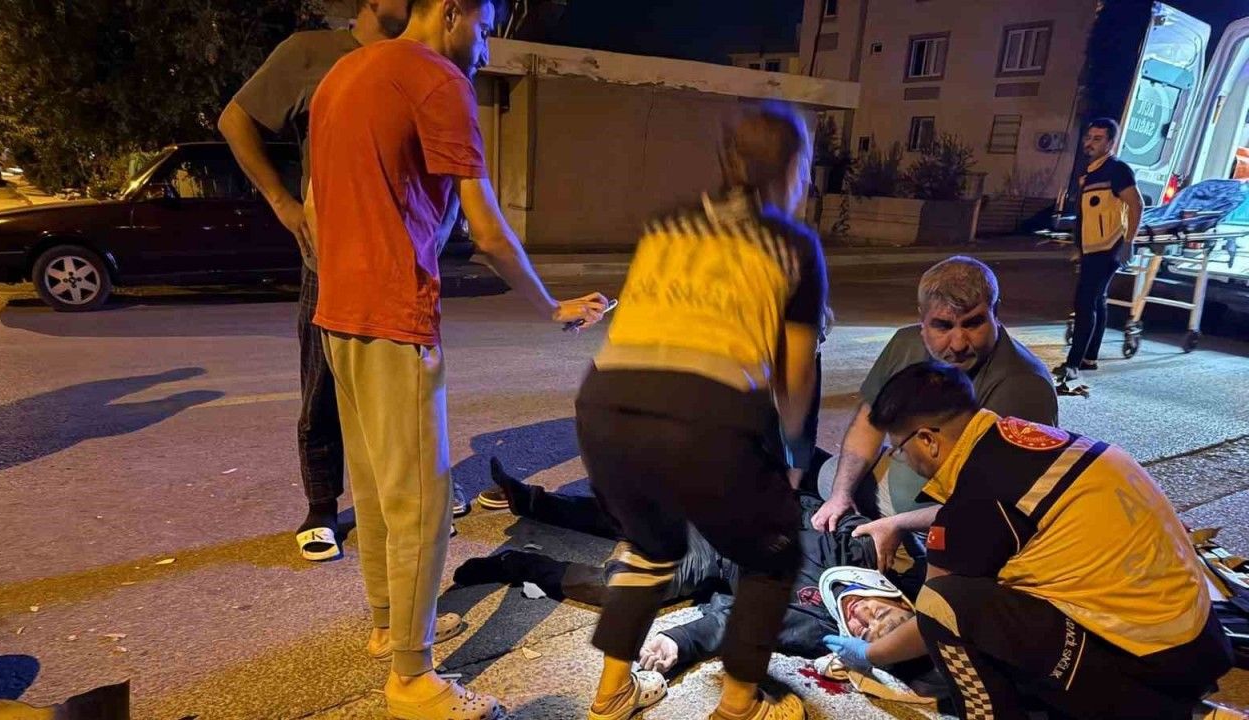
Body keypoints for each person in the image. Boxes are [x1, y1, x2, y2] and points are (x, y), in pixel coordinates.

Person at [307, 0, 608, 717]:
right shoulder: (438, 80)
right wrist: (552, 307)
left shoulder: (341, 76)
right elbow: (489, 229)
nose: (486, 48)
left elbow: (314, 207)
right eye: (485, 26)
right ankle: (412, 680)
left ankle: (388, 628)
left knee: (376, 487)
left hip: (337, 313)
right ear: (450, 12)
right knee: (422, 502)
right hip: (393, 318)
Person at [575, 102, 826, 720]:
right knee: (772, 554)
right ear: (793, 170)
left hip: (604, 407)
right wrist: (789, 458)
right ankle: (739, 705)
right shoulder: (793, 246)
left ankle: (612, 693)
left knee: (651, 546)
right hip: (706, 418)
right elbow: (794, 382)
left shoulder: (667, 224)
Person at [823, 361, 1235, 720]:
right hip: (1196, 642)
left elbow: (934, 615)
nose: (902, 459)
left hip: (1149, 664)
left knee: (944, 604)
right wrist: (897, 523)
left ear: (927, 440)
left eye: (898, 449)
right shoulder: (1019, 440)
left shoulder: (979, 495)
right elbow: (998, 515)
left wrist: (868, 654)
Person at [219, 0, 471, 565]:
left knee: (403, 396)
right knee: (324, 391)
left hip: (405, 271)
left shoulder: (429, 64)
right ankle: (322, 505)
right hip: (332, 265)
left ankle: (410, 504)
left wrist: (437, 232)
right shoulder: (317, 55)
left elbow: (448, 168)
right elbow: (235, 119)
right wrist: (282, 203)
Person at [452, 456, 921, 678]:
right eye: (879, 613)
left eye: (863, 631)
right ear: (897, 599)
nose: (860, 615)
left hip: (711, 558)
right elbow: (805, 506)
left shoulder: (816, 625)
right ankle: (533, 502)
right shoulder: (864, 550)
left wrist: (677, 641)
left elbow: (735, 621)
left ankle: (519, 564)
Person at [810, 257, 1056, 573]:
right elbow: (868, 423)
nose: (959, 343)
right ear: (922, 320)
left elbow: (1001, 503)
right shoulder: (905, 343)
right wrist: (841, 495)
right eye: (943, 326)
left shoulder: (1023, 384)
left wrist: (900, 524)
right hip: (914, 485)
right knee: (833, 476)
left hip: (973, 510)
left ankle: (911, 550)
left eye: (973, 324)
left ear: (996, 313)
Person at [1054, 118, 1143, 385]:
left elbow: (1136, 204)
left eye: (1097, 138)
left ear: (1110, 143)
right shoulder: (1091, 171)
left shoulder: (1118, 170)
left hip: (1108, 247)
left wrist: (1129, 241)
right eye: (1088, 137)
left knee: (1085, 302)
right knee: (1097, 300)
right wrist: (1078, 245)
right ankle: (1089, 357)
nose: (1089, 142)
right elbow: (1086, 214)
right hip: (1092, 247)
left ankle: (1073, 363)